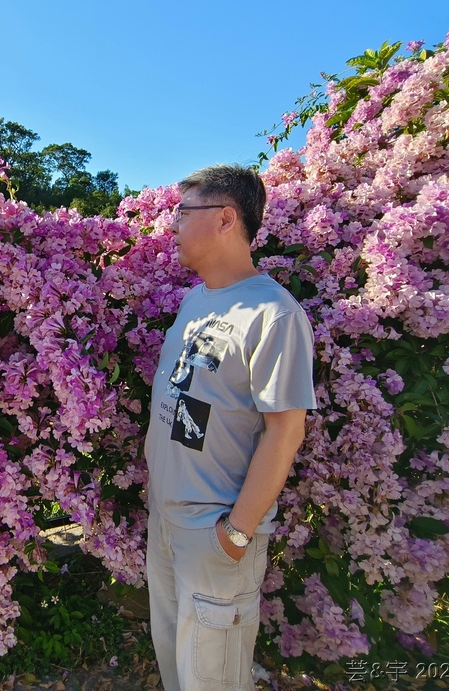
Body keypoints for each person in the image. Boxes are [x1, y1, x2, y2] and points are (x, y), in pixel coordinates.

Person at [145, 165, 316, 691]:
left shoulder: (274, 315)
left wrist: (236, 532)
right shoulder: (194, 301)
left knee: (213, 680)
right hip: (168, 523)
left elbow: (285, 431)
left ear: (224, 218)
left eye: (182, 212)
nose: (170, 225)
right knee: (178, 670)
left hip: (216, 533)